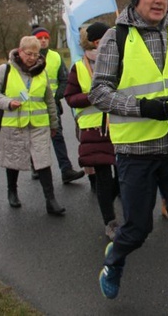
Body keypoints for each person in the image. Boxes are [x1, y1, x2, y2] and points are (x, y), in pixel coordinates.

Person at [88, 0, 168, 316]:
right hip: (136, 153)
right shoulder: (116, 36)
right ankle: (115, 259)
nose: (159, 0)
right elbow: (99, 92)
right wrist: (142, 107)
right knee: (138, 229)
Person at [0, 36, 65, 216]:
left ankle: (50, 200)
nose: (32, 58)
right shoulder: (5, 69)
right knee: (13, 160)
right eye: (28, 53)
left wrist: (54, 123)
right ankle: (12, 191)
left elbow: (49, 100)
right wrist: (8, 102)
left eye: (36, 55)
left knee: (43, 160)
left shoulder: (41, 72)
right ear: (19, 51)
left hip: (39, 124)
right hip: (14, 124)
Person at [64, 22, 121, 240]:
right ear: (97, 42)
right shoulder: (79, 68)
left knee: (124, 175)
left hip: (120, 126)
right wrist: (91, 96)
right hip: (95, 130)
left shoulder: (119, 61)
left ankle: (112, 200)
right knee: (104, 178)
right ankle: (110, 221)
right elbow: (69, 97)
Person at [31, 25, 85, 184]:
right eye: (40, 38)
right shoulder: (28, 56)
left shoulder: (55, 57)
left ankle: (66, 169)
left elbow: (64, 80)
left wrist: (55, 98)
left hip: (52, 105)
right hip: (32, 107)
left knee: (57, 136)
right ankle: (35, 165)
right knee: (35, 139)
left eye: (46, 38)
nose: (43, 41)